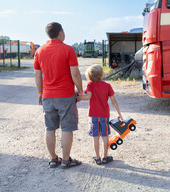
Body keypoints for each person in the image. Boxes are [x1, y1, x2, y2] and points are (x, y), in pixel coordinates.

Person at [34, 22, 83, 169]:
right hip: (65, 96)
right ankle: (67, 160)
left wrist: (40, 92)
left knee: (50, 128)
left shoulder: (39, 51)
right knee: (67, 128)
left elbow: (37, 75)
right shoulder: (68, 50)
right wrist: (80, 91)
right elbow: (75, 73)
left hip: (47, 96)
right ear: (61, 32)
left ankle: (54, 159)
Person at [77, 64, 123, 165]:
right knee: (105, 136)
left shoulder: (90, 85)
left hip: (93, 115)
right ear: (101, 75)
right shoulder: (107, 86)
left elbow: (88, 97)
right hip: (104, 115)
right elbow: (114, 101)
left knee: (95, 136)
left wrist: (77, 98)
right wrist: (119, 114)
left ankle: (97, 158)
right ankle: (105, 157)